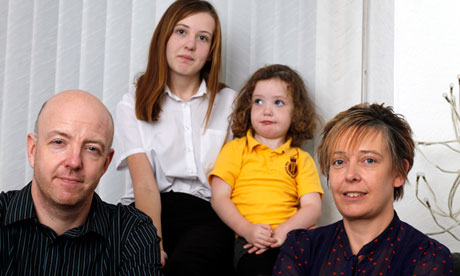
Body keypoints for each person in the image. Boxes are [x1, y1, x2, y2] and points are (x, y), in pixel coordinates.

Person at [113, 1, 236, 275]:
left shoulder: (231, 104)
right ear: (164, 37)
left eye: (202, 37)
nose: (190, 44)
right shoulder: (132, 102)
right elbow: (144, 185)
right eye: (181, 32)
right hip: (147, 210)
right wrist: (151, 242)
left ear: (211, 52)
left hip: (208, 212)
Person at [273, 103, 455, 275]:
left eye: (369, 160)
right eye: (339, 162)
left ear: (399, 172)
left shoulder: (429, 259)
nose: (350, 175)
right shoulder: (302, 248)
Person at [0, 90, 162, 275]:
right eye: (59, 142)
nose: (74, 162)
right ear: (33, 150)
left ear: (105, 164)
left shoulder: (133, 234)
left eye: (92, 148)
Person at [210, 64, 323, 276]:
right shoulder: (235, 149)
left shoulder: (301, 159)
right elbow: (219, 198)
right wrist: (247, 230)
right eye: (258, 101)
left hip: (291, 235)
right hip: (250, 241)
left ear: (296, 112)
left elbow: (312, 208)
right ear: (248, 107)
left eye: (278, 102)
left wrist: (283, 232)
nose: (267, 111)